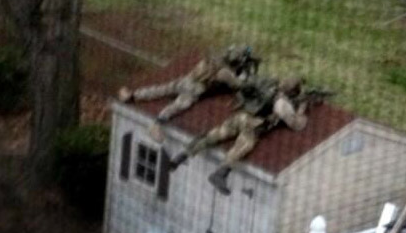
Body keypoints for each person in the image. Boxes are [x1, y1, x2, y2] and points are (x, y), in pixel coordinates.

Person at [168, 76, 310, 195]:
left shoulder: (268, 85)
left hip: (241, 116)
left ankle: (180, 157)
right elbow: (297, 125)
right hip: (253, 126)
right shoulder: (282, 104)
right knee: (242, 147)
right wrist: (302, 108)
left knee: (213, 136)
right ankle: (221, 174)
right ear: (293, 92)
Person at [117, 46, 260, 142]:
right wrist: (244, 76)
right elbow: (238, 85)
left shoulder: (213, 60)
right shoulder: (225, 72)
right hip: (194, 90)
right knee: (178, 106)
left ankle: (133, 95)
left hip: (186, 79)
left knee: (161, 89)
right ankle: (156, 124)